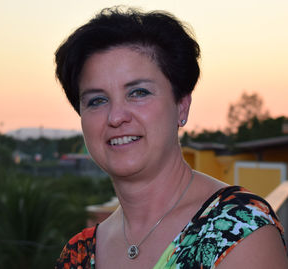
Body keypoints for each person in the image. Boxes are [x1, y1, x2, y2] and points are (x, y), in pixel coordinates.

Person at [54, 7, 287, 269]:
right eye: (97, 100)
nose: (116, 117)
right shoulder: (78, 255)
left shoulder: (238, 229)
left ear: (181, 106)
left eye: (138, 93)